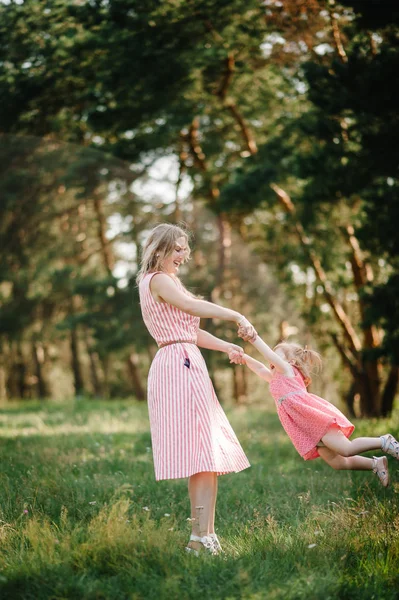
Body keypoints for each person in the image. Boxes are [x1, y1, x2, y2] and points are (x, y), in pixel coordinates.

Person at [137, 223, 254, 555]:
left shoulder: (164, 282)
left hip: (184, 357)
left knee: (207, 454)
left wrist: (227, 346)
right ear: (158, 249)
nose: (183, 254)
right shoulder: (158, 280)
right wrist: (235, 314)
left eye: (185, 249)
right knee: (201, 453)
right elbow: (192, 309)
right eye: (177, 248)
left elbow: (189, 330)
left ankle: (206, 536)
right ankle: (198, 539)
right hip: (179, 364)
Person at [229, 328, 399, 487]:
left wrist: (253, 338)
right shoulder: (275, 378)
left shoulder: (288, 370)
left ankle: (385, 441)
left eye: (276, 356)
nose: (271, 359)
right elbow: (259, 367)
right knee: (338, 463)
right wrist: (244, 357)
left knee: (346, 449)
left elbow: (266, 355)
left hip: (315, 420)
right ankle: (375, 463)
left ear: (291, 361)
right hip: (305, 428)